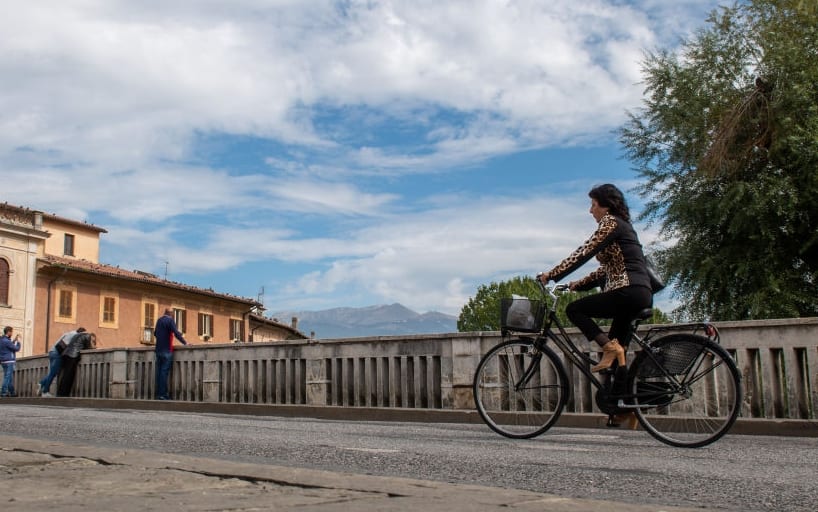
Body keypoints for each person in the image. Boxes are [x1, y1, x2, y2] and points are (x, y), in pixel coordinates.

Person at [538, 184, 653, 372]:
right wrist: (577, 285)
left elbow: (585, 251)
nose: (590, 210)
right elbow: (604, 270)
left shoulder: (611, 223)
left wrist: (552, 274)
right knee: (617, 357)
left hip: (628, 290)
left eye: (593, 205)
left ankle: (608, 347)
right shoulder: (624, 227)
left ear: (606, 206)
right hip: (639, 292)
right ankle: (617, 396)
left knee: (574, 309)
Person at [38, 327, 86, 398]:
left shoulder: (69, 333)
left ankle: (41, 383)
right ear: (81, 333)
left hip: (52, 352)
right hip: (57, 354)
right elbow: (62, 345)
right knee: (53, 373)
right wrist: (62, 355)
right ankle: (45, 391)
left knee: (52, 373)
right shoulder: (73, 335)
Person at [154, 308, 187, 400]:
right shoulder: (170, 320)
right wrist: (185, 343)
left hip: (158, 350)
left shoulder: (159, 320)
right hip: (167, 350)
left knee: (159, 373)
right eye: (173, 314)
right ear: (171, 314)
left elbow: (155, 333)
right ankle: (163, 395)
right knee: (164, 373)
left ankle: (159, 394)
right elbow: (176, 333)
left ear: (164, 313)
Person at [56, 331, 96, 397]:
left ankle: (60, 393)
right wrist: (94, 347)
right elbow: (88, 347)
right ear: (92, 337)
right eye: (93, 340)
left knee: (65, 375)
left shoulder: (79, 335)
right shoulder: (88, 336)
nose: (93, 341)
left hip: (66, 353)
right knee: (69, 376)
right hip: (73, 355)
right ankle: (64, 394)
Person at [0, 326, 22, 397]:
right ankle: (3, 392)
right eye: (11, 332)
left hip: (3, 361)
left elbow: (9, 346)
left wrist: (14, 340)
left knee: (9, 377)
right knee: (7, 377)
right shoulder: (6, 341)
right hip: (9, 361)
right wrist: (18, 342)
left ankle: (12, 392)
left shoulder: (2, 340)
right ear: (8, 332)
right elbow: (16, 349)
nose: (12, 333)